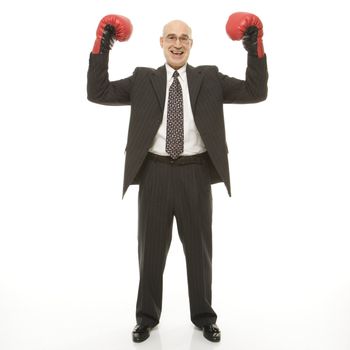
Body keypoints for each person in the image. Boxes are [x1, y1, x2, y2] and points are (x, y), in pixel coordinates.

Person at [87, 12, 268, 343]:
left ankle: (204, 317)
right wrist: (103, 45)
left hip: (195, 172)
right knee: (151, 250)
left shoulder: (209, 78)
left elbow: (255, 92)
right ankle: (146, 318)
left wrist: (253, 46)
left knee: (199, 250)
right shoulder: (143, 79)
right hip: (155, 172)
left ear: (191, 45)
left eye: (184, 38)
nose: (177, 43)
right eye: (171, 37)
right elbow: (98, 92)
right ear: (161, 43)